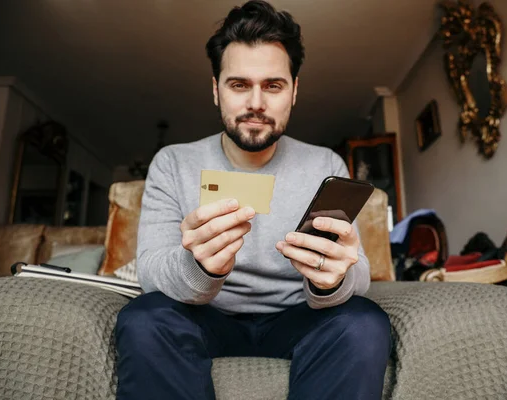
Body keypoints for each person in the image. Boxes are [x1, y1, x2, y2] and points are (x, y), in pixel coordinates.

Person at [115, 1, 391, 399]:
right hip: (203, 317)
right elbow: (151, 273)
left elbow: (357, 270)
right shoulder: (173, 162)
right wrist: (200, 267)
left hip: (296, 318)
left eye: (273, 85)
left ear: (294, 91)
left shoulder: (325, 163)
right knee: (143, 319)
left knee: (365, 322)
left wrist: (332, 281)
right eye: (239, 84)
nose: (256, 103)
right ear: (216, 90)